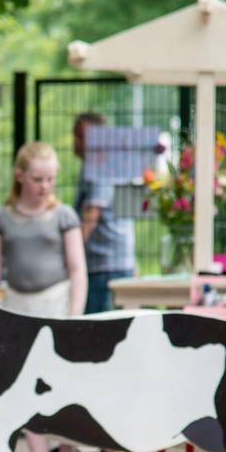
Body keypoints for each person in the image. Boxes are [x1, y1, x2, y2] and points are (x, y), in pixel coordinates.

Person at [0, 142, 87, 452]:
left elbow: (77, 269)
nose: (45, 186)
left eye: (51, 179)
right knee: (28, 392)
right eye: (38, 179)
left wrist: (75, 316)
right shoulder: (2, 218)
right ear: (20, 176)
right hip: (18, 309)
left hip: (55, 305)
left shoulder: (64, 216)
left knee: (64, 386)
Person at [72, 113, 136, 314]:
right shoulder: (114, 162)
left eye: (83, 137)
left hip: (104, 266)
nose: (78, 143)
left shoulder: (100, 166)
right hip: (118, 260)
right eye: (77, 136)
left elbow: (91, 214)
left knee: (97, 332)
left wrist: (69, 253)